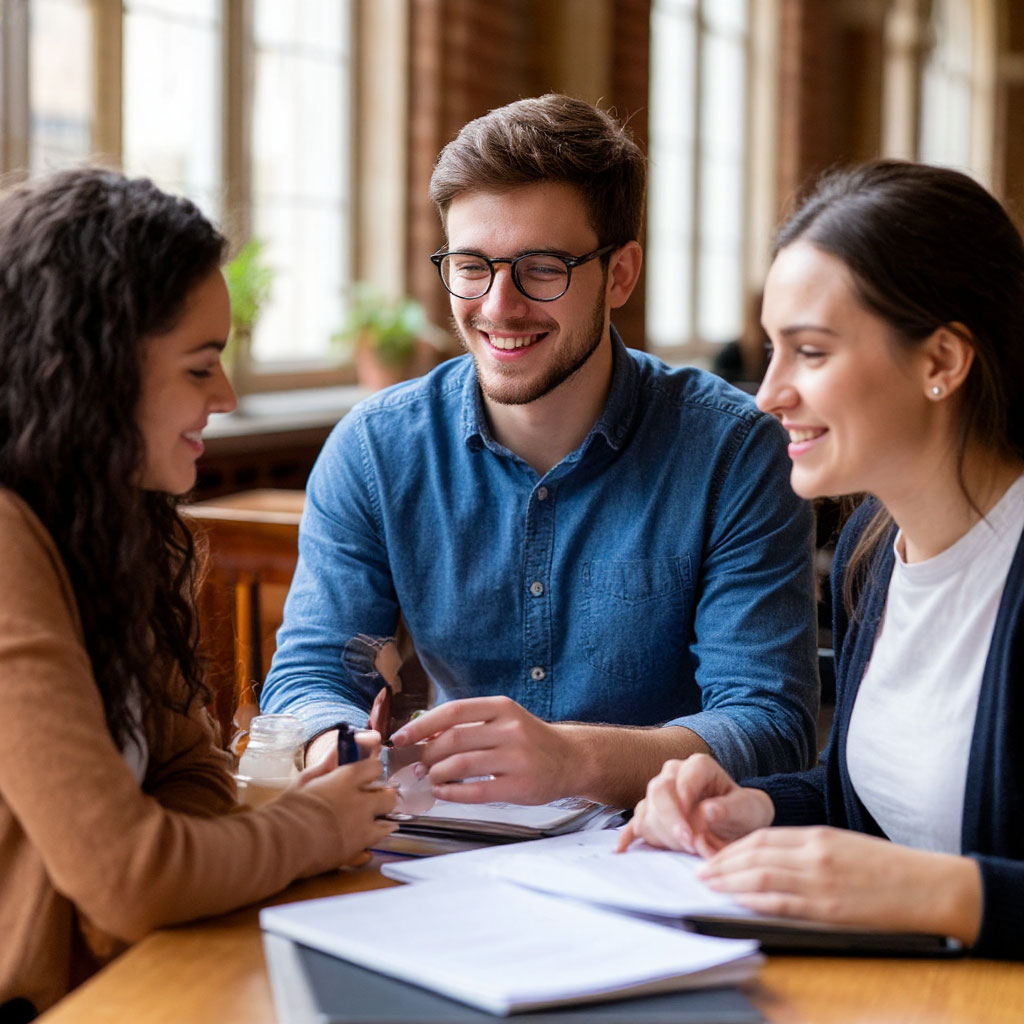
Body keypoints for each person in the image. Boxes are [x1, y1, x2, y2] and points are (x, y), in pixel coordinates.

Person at [262, 94, 818, 809]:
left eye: (543, 267)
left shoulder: (734, 450)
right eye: (472, 265)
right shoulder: (375, 449)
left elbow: (771, 725)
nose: (498, 306)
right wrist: (336, 747)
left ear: (621, 274)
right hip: (445, 842)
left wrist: (573, 760)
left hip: (655, 844)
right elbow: (309, 676)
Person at [0, 168, 397, 1018]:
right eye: (200, 366)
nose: (226, 397)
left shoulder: (127, 528)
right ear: (94, 373)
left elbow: (192, 775)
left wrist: (167, 874)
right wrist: (315, 828)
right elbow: (129, 874)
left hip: (116, 979)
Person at [619, 160, 1024, 957]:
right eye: (772, 348)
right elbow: (875, 805)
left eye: (809, 351)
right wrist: (754, 808)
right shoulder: (871, 556)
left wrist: (943, 894)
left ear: (942, 361)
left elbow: (922, 866)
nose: (768, 393)